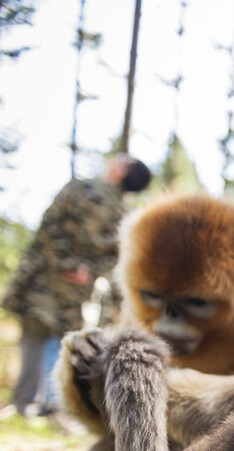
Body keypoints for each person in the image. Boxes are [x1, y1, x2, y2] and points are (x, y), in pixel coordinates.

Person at [2, 154, 151, 416]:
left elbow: (50, 225)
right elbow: (118, 256)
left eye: (121, 160)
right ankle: (52, 404)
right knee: (62, 340)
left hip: (45, 278)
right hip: (79, 290)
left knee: (35, 337)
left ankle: (26, 402)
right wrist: (87, 273)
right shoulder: (123, 216)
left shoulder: (79, 188)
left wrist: (65, 264)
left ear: (121, 172)